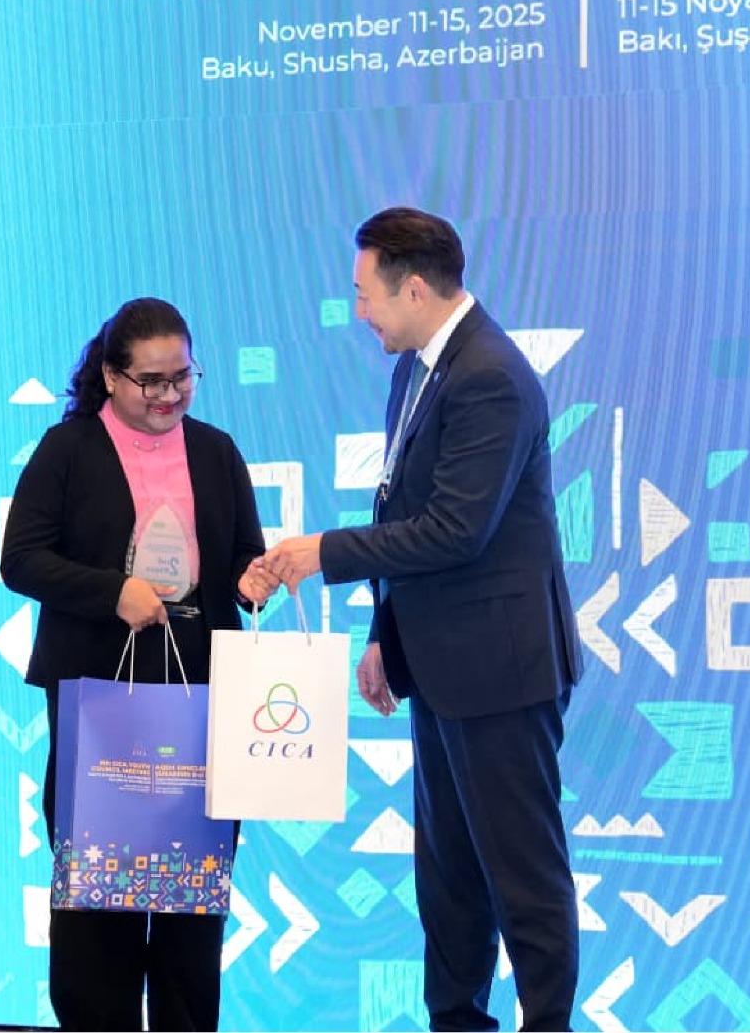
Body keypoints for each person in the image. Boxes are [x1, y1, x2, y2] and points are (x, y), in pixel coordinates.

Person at [261, 207, 583, 1032]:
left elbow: (455, 530)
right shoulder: (419, 367)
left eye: (364, 293)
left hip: (501, 672)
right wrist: (384, 634)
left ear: (411, 288)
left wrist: (321, 553)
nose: (358, 311)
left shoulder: (491, 377)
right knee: (449, 881)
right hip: (441, 664)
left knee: (524, 879)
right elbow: (402, 507)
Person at [1, 297, 278, 1032]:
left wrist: (253, 577)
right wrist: (111, 592)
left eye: (182, 378)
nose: (169, 395)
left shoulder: (216, 451)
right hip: (100, 696)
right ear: (110, 375)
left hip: (202, 695)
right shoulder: (67, 450)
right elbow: (20, 560)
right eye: (150, 381)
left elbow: (241, 554)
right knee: (100, 899)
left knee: (192, 898)